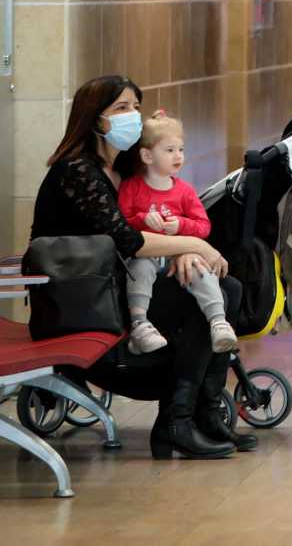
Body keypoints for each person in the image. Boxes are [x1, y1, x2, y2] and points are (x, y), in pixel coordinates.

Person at [31, 76, 254, 459]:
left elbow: (150, 226)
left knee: (225, 287)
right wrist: (194, 243)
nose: (132, 116)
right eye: (121, 108)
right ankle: (178, 422)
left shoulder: (123, 171)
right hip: (80, 304)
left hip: (118, 287)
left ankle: (198, 414)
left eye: (135, 106)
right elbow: (129, 241)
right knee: (215, 295)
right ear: (95, 119)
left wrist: (183, 250)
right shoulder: (78, 171)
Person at [117, 114, 238, 356]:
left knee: (200, 268)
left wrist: (181, 224)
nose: (178, 156)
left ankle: (218, 321)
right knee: (139, 269)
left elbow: (203, 226)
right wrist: (141, 220)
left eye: (181, 149)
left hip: (176, 260)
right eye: (170, 150)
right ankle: (140, 324)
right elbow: (120, 225)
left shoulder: (184, 191)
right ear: (147, 156)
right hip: (146, 256)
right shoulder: (131, 188)